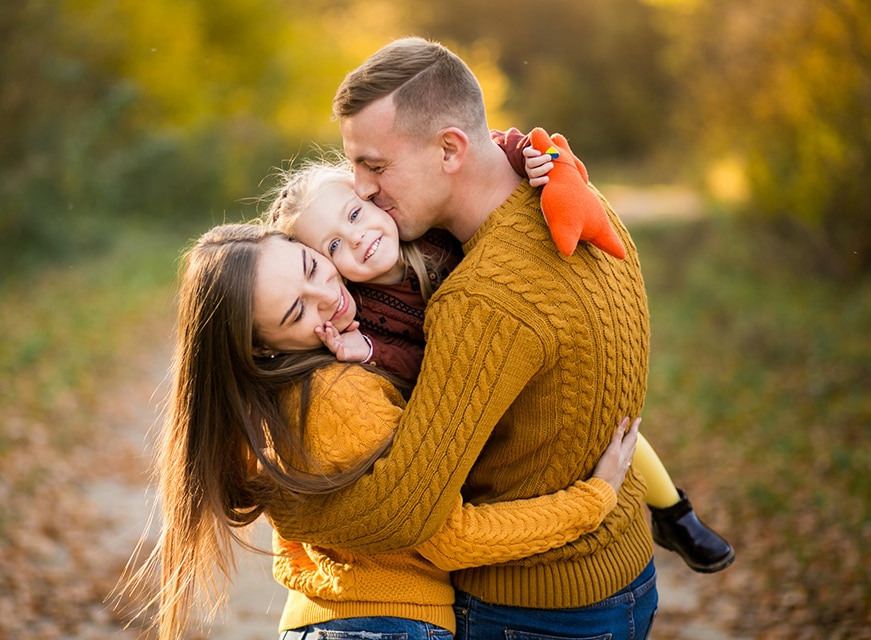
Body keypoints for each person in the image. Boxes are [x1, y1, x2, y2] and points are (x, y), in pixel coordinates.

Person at [261, 36, 680, 640]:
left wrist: (284, 503)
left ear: (451, 149)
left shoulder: (481, 298)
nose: (362, 188)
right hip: (621, 571)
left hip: (532, 606)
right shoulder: (579, 201)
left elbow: (407, 510)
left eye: (375, 167)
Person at [138, 222, 644, 640]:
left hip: (337, 619)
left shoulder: (276, 395)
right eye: (297, 312)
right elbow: (449, 538)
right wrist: (592, 500)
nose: (328, 298)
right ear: (262, 347)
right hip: (388, 624)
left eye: (313, 267)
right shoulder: (338, 395)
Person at [266, 151, 734, 575]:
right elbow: (418, 371)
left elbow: (471, 152)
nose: (356, 239)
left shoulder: (430, 229)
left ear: (373, 200)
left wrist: (526, 154)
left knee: (610, 421)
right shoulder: (363, 314)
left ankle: (675, 513)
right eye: (331, 247)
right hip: (465, 396)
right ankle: (552, 527)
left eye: (354, 214)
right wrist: (367, 353)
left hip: (520, 354)